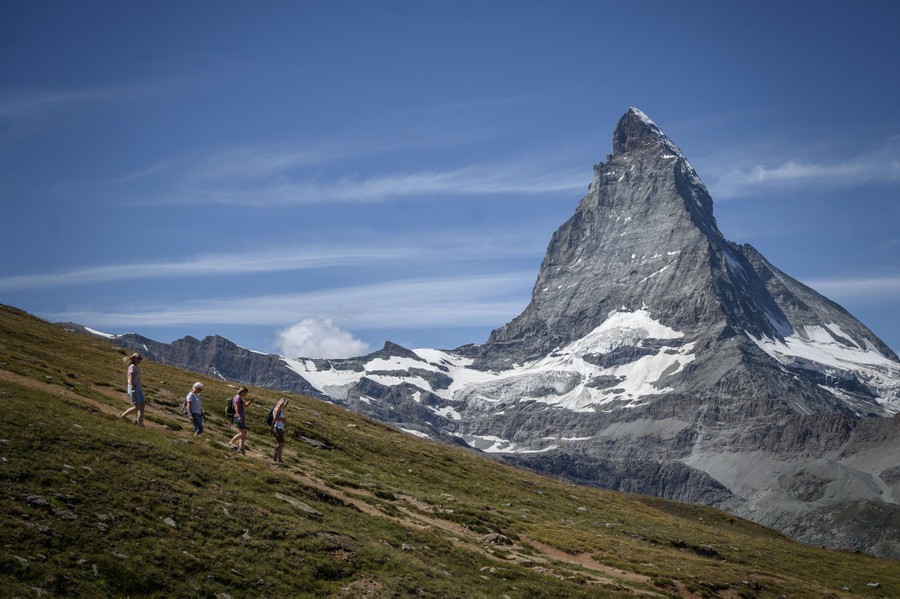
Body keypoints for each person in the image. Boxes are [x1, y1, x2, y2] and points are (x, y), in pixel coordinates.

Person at [228, 386, 256, 455]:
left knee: (244, 433)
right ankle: (231, 442)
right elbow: (236, 406)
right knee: (243, 432)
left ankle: (241, 448)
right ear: (242, 391)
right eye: (245, 393)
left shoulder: (240, 398)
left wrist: (250, 401)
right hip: (239, 417)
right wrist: (238, 415)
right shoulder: (237, 397)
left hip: (242, 417)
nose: (246, 394)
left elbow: (245, 405)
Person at [120, 353, 145, 426]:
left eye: (141, 358)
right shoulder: (132, 367)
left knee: (142, 405)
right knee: (137, 406)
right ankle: (122, 416)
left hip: (138, 388)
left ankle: (140, 423)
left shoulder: (137, 367)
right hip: (133, 387)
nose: (140, 360)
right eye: (138, 358)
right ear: (134, 358)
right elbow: (130, 378)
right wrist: (131, 387)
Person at [271, 398, 289, 462]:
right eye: (285, 404)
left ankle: (278, 457)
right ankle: (276, 456)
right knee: (280, 443)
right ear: (282, 403)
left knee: (280, 443)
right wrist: (283, 420)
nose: (285, 406)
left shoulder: (279, 409)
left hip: (279, 428)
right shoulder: (278, 409)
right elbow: (275, 419)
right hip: (277, 428)